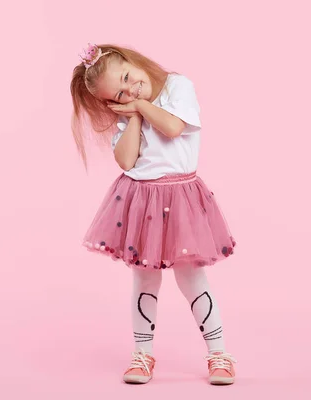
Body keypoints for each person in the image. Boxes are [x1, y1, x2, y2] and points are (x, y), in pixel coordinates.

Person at [70, 43, 237, 385]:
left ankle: (219, 353)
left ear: (134, 61)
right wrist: (131, 116)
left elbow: (174, 128)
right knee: (144, 278)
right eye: (119, 92)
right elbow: (126, 161)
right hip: (141, 199)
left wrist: (141, 106)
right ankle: (142, 353)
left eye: (128, 77)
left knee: (191, 277)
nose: (129, 89)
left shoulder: (177, 87)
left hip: (181, 198)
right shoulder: (129, 112)